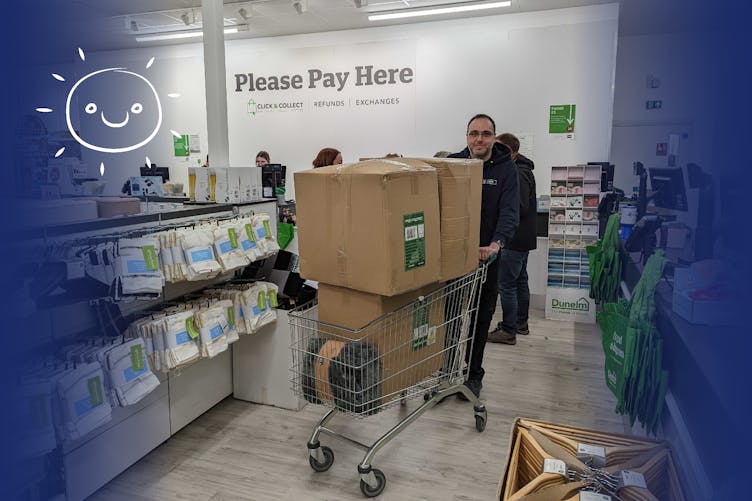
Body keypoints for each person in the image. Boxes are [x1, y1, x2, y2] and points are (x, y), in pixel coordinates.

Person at [448, 114, 519, 399]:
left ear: (493, 137)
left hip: (486, 258)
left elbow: (510, 213)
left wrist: (496, 244)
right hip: (453, 259)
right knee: (450, 317)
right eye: (474, 133)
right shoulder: (453, 164)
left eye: (485, 134)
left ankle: (473, 374)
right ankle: (446, 372)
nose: (479, 139)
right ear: (466, 137)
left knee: (480, 318)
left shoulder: (506, 170)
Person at [488, 133, 538, 345]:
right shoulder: (523, 169)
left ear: (512, 152)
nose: (495, 153)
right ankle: (520, 323)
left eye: (499, 148)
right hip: (522, 238)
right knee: (519, 281)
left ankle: (508, 330)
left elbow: (518, 206)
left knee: (506, 284)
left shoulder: (516, 172)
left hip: (514, 238)